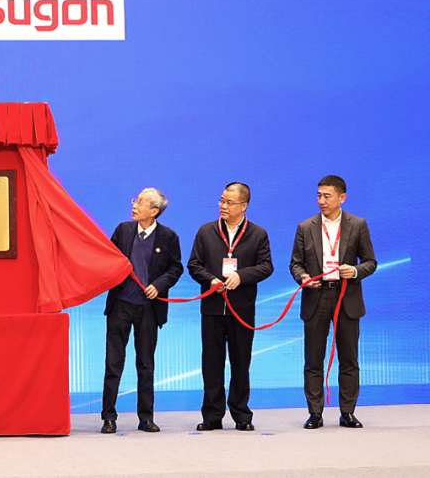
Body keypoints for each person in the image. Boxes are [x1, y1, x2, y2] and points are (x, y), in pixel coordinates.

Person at [289, 175, 376, 429]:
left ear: (342, 198)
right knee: (313, 359)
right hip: (316, 296)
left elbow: (370, 262)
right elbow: (295, 264)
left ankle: (347, 412)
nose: (321, 201)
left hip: (346, 296)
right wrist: (302, 277)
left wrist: (356, 271)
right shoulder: (305, 227)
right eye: (319, 195)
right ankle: (315, 413)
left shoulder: (358, 225)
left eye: (327, 196)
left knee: (349, 359)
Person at [187, 182, 273, 431]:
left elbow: (266, 266)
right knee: (211, 363)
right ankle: (212, 415)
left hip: (241, 309)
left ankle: (242, 415)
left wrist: (241, 276)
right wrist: (210, 280)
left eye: (229, 202)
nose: (223, 206)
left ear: (243, 206)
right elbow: (194, 264)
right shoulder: (206, 231)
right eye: (222, 201)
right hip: (212, 307)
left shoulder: (258, 234)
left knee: (241, 362)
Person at [100, 188, 183, 434]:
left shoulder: (169, 236)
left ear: (154, 211)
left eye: (141, 202)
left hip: (149, 309)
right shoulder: (123, 230)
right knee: (113, 363)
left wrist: (159, 285)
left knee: (145, 364)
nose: (135, 205)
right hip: (120, 305)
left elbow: (175, 268)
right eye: (135, 200)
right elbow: (108, 259)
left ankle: (146, 417)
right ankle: (108, 417)